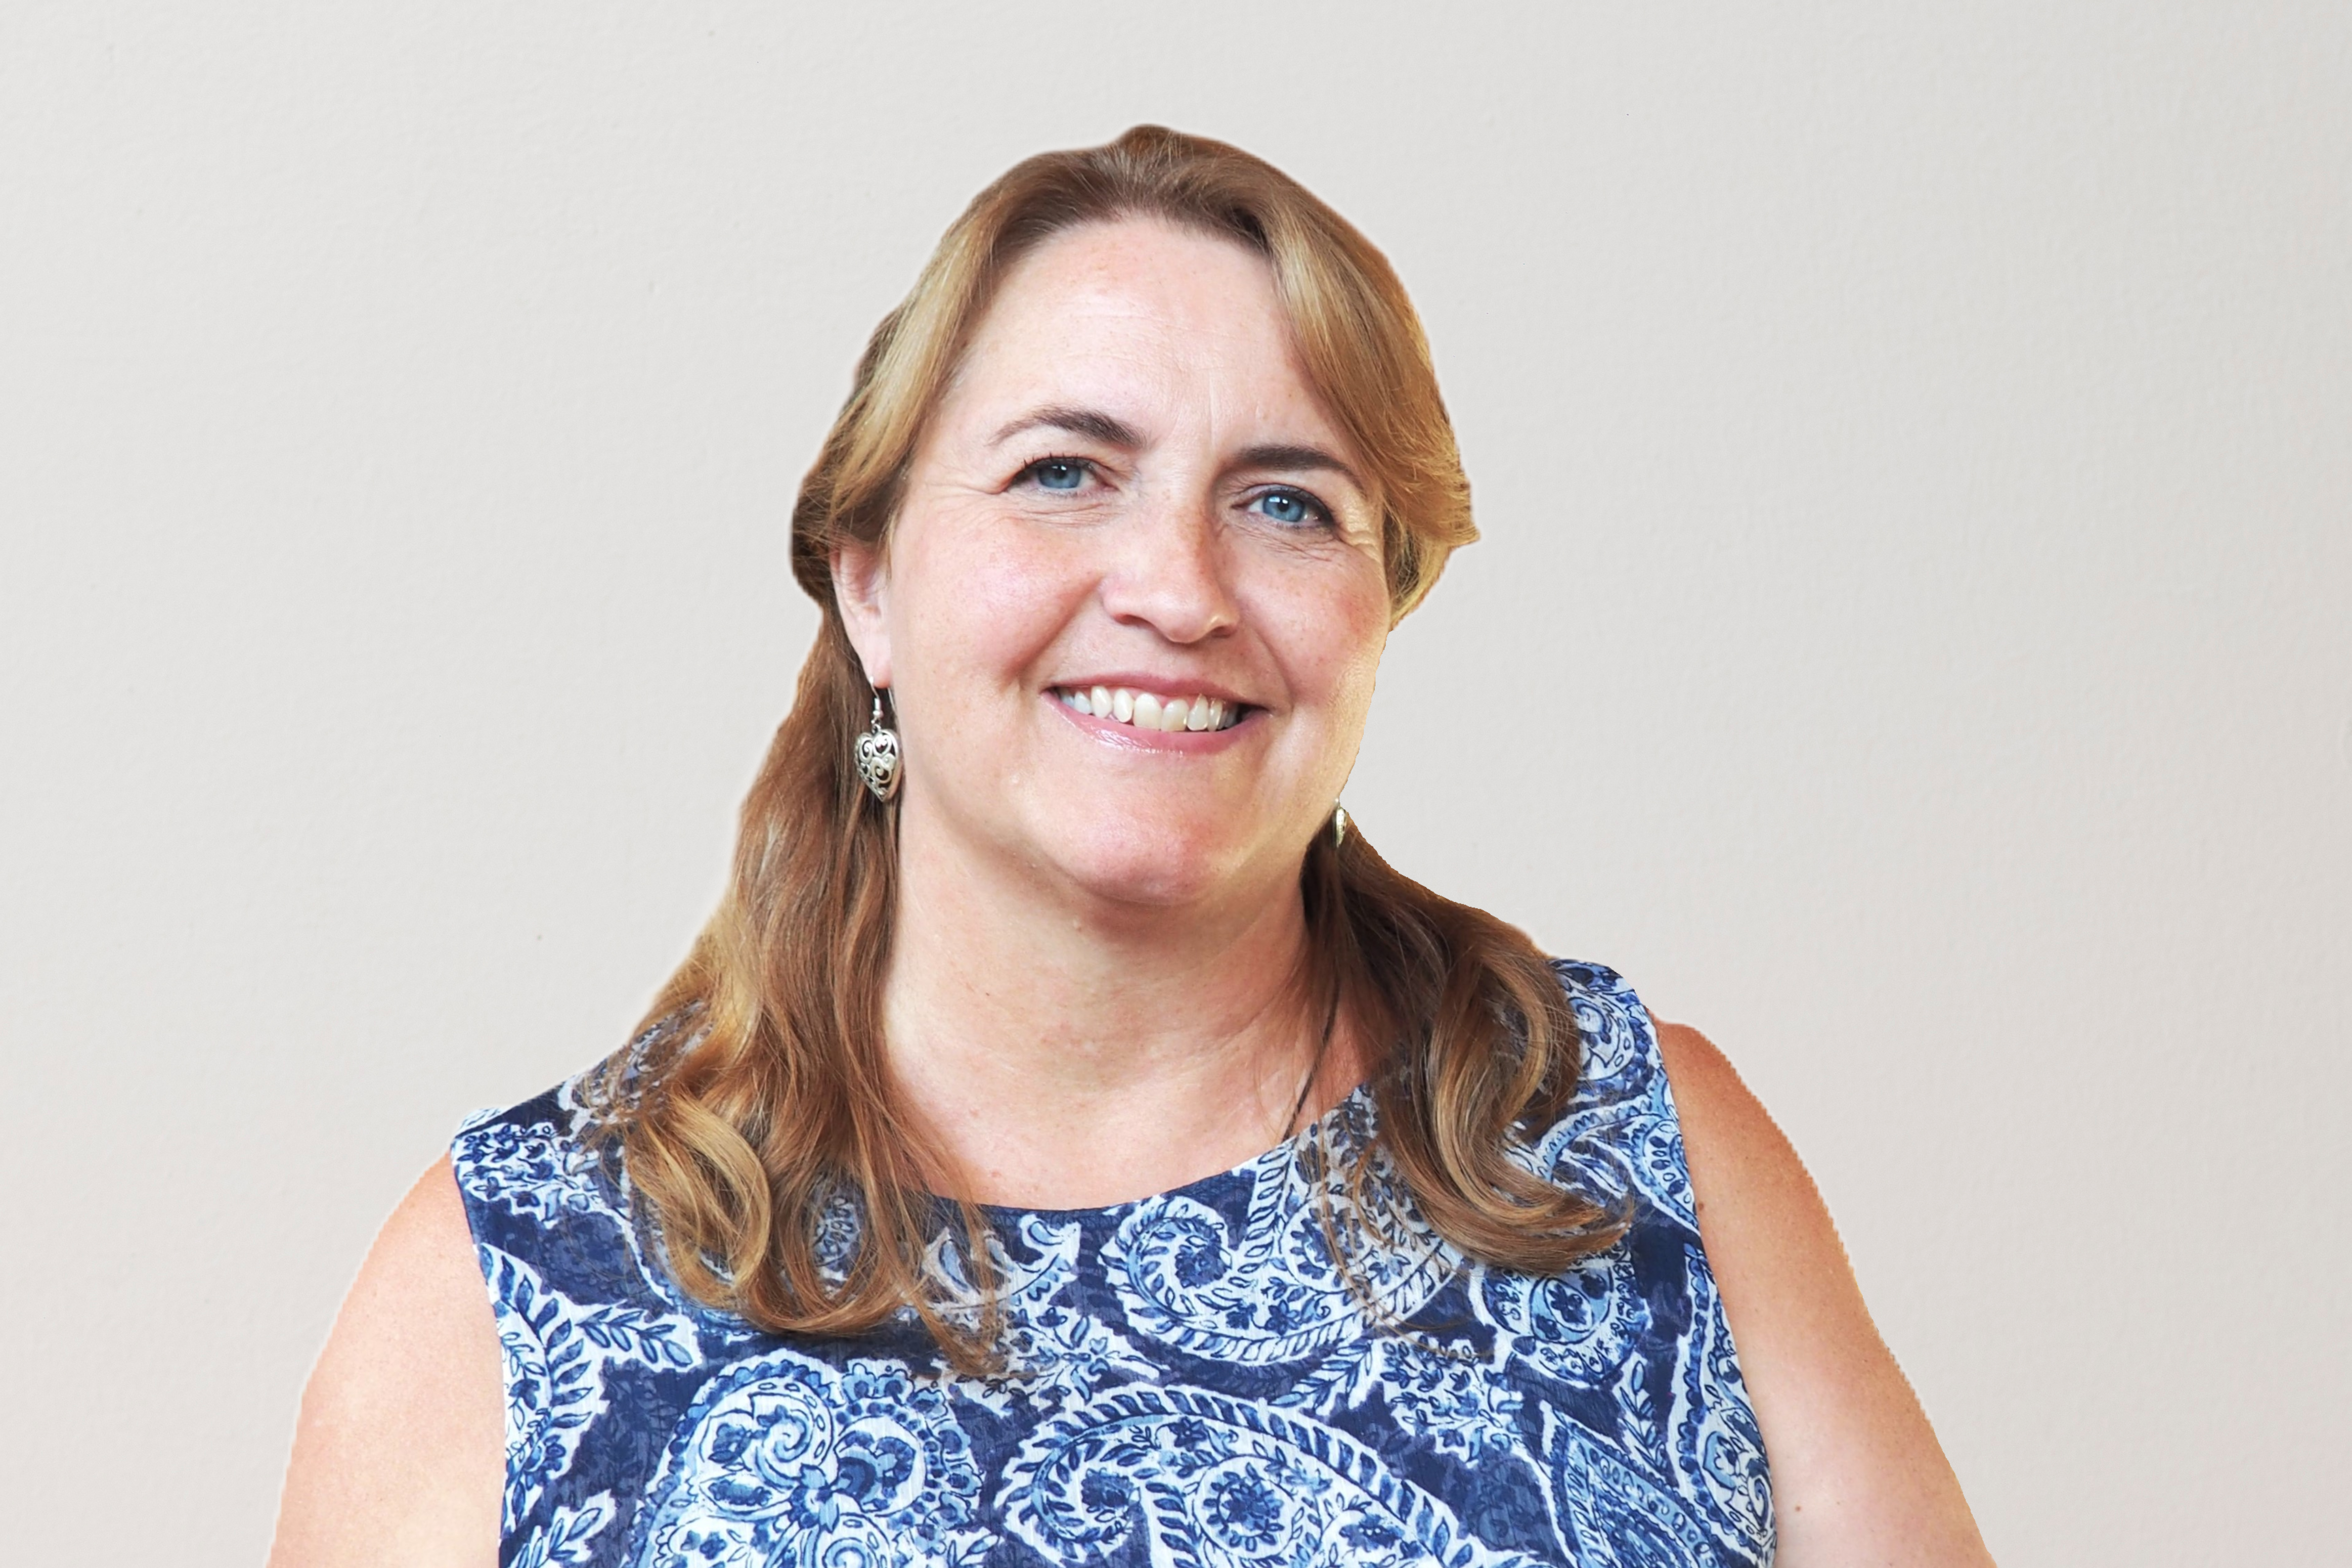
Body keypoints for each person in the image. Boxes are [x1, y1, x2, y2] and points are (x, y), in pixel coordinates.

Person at [268, 126, 1993, 1567]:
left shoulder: (1633, 1153)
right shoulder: (513, 1282)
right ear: (870, 580)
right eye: (1063, 474)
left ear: (1378, 607)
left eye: (1289, 502)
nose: (1178, 587)